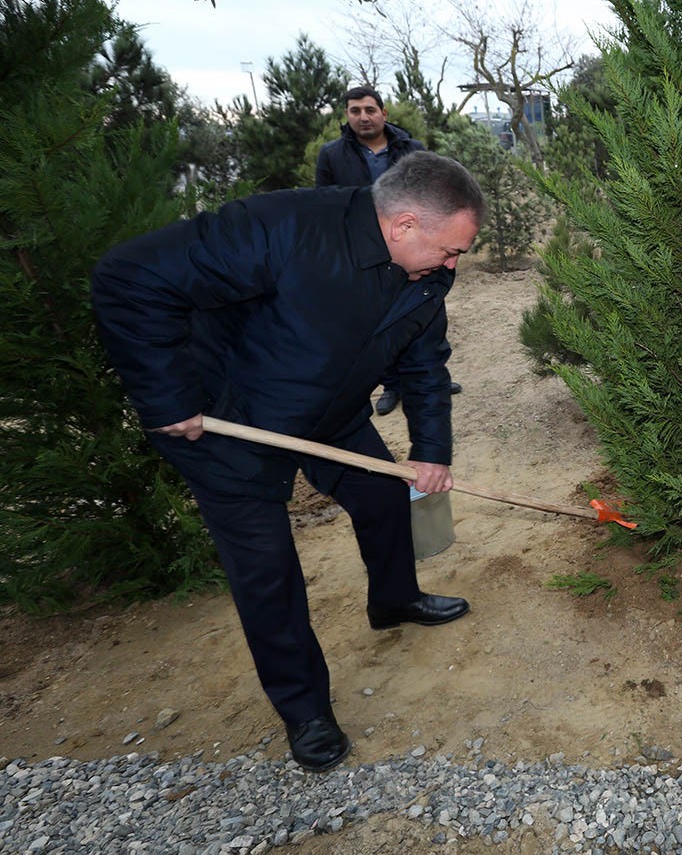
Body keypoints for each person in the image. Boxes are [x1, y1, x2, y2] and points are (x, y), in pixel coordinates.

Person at [91, 153, 486, 772]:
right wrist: (170, 398)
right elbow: (129, 276)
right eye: (453, 250)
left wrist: (431, 452)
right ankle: (305, 711)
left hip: (328, 413)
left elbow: (424, 364)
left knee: (383, 498)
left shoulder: (427, 274)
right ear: (404, 225)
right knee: (269, 573)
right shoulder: (286, 226)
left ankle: (394, 600)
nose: (455, 264)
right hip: (227, 426)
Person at [315, 85, 461, 415]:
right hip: (366, 251)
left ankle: (433, 377)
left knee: (427, 314)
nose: (363, 117)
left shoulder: (413, 150)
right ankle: (392, 383)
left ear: (384, 113)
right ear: (347, 116)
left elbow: (432, 195)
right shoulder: (332, 155)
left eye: (369, 110)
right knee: (380, 318)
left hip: (414, 246)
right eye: (355, 111)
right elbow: (325, 204)